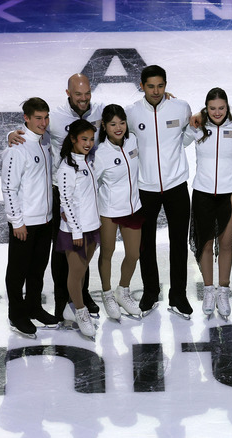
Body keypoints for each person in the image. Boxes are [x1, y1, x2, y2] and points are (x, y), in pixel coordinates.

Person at [8, 74, 103, 319]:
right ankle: (61, 298)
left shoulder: (99, 111)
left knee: (85, 243)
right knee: (62, 249)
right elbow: (30, 131)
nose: (83, 99)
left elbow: (124, 120)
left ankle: (81, 292)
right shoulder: (55, 118)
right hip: (60, 192)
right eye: (78, 94)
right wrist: (11, 134)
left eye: (87, 93)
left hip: (87, 189)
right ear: (68, 93)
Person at [125, 65, 193, 318]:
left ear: (166, 85)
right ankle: (150, 291)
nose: (156, 91)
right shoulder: (132, 113)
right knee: (146, 243)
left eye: (160, 86)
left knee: (178, 242)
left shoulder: (180, 107)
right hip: (146, 188)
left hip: (176, 186)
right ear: (141, 86)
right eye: (151, 86)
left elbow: (192, 130)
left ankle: (178, 295)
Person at [184, 88, 232, 320]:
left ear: (227, 107)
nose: (217, 112)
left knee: (227, 243)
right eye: (212, 108)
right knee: (206, 243)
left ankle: (223, 291)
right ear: (206, 108)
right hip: (202, 193)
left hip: (229, 193)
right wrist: (190, 123)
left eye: (221, 108)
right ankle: (209, 290)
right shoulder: (198, 126)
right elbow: (178, 144)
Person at [2, 97, 58, 337]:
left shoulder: (44, 142)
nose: (43, 123)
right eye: (38, 118)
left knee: (37, 268)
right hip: (25, 223)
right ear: (26, 118)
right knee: (18, 270)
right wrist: (17, 221)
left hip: (45, 220)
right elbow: (8, 187)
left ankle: (34, 307)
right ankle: (16, 314)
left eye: (46, 117)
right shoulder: (17, 148)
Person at [93, 104, 143, 321]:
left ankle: (123, 291)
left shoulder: (132, 141)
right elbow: (91, 183)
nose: (118, 127)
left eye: (121, 122)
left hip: (133, 208)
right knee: (107, 253)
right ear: (104, 126)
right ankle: (106, 294)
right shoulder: (101, 153)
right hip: (109, 211)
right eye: (113, 124)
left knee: (134, 254)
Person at [57, 119, 101, 338]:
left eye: (91, 139)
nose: (88, 143)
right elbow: (65, 200)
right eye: (84, 139)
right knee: (75, 273)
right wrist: (75, 231)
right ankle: (81, 312)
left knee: (82, 271)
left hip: (92, 226)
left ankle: (71, 307)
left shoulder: (87, 161)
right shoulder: (66, 167)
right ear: (73, 139)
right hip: (76, 230)